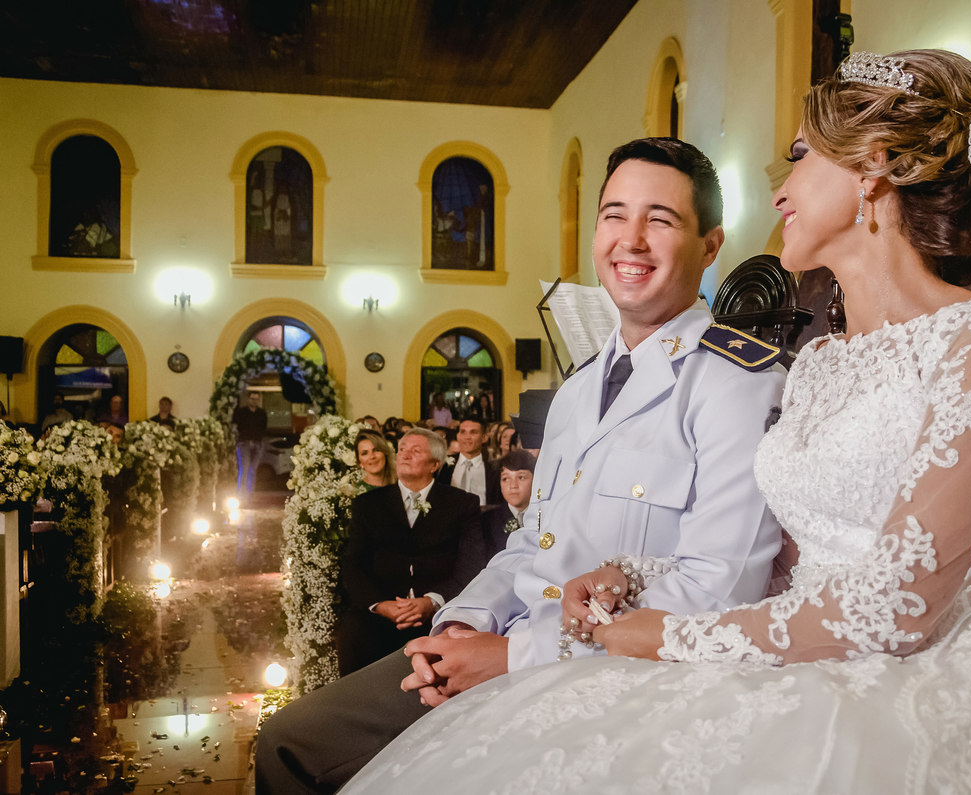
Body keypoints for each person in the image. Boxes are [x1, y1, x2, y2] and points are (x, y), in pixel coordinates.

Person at [340, 51, 971, 793]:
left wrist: (661, 635)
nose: (780, 188)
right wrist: (629, 574)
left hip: (918, 692)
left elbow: (897, 606)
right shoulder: (823, 361)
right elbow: (788, 557)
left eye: (798, 156)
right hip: (790, 653)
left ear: (873, 169)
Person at [255, 136, 787, 793]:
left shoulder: (735, 381)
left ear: (711, 245)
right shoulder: (575, 390)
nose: (631, 239)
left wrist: (509, 656)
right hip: (505, 637)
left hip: (609, 673)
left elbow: (719, 591)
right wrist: (460, 624)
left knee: (301, 749)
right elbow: (532, 549)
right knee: (288, 738)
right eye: (614, 215)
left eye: (661, 219)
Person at [334, 428, 481, 677]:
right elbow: (353, 564)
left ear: (435, 464)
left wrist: (432, 601)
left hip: (440, 612)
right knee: (352, 632)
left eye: (415, 451)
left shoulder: (462, 503)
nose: (404, 455)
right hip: (382, 610)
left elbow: (471, 563)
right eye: (402, 450)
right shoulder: (368, 504)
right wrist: (380, 605)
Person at [438, 418, 500, 505]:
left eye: (473, 432)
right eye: (463, 432)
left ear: (484, 438)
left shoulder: (495, 469)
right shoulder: (443, 464)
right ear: (458, 436)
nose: (467, 437)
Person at [232, 391, 267, 495]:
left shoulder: (261, 413)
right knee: (244, 469)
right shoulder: (241, 412)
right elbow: (237, 427)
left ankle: (250, 495)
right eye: (252, 399)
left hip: (257, 443)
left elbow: (263, 428)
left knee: (253, 470)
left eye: (256, 399)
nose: (254, 401)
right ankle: (242, 496)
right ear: (248, 400)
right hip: (244, 443)